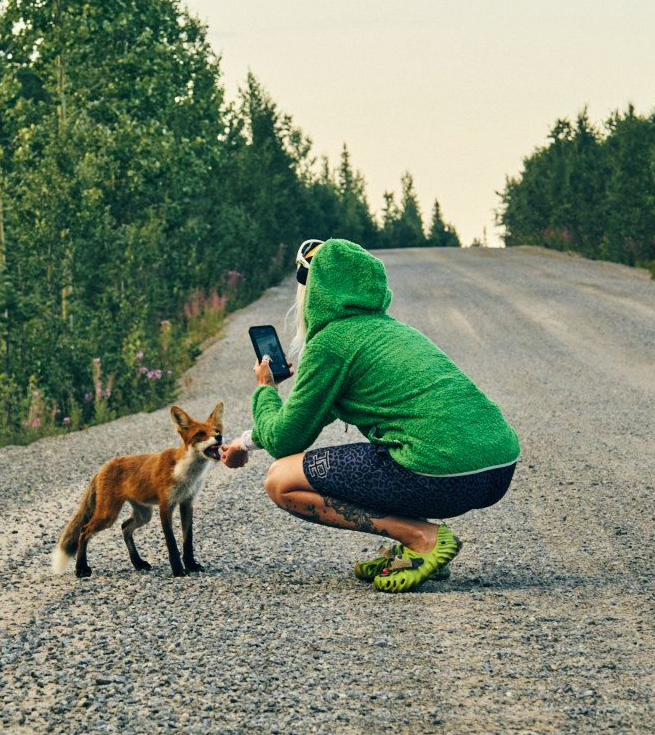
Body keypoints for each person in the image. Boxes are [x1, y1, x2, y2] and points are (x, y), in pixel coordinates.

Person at [221, 238, 519, 591]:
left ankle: (422, 538)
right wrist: (244, 442)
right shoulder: (393, 331)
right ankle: (415, 546)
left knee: (280, 480)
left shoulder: (331, 342)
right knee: (399, 447)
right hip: (497, 470)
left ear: (315, 292)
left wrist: (265, 388)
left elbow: (286, 441)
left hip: (441, 474)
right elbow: (307, 418)